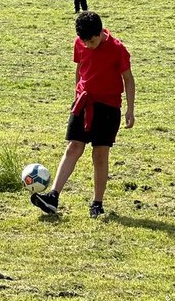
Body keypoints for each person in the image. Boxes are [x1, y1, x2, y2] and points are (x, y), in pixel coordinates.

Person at [31, 11, 135, 218]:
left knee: (100, 155)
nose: (88, 45)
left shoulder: (117, 49)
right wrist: (76, 96)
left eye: (92, 41)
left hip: (108, 108)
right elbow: (80, 69)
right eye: (84, 41)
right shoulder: (79, 44)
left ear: (101, 32)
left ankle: (97, 203)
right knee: (73, 147)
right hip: (83, 103)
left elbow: (128, 80)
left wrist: (130, 110)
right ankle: (53, 196)